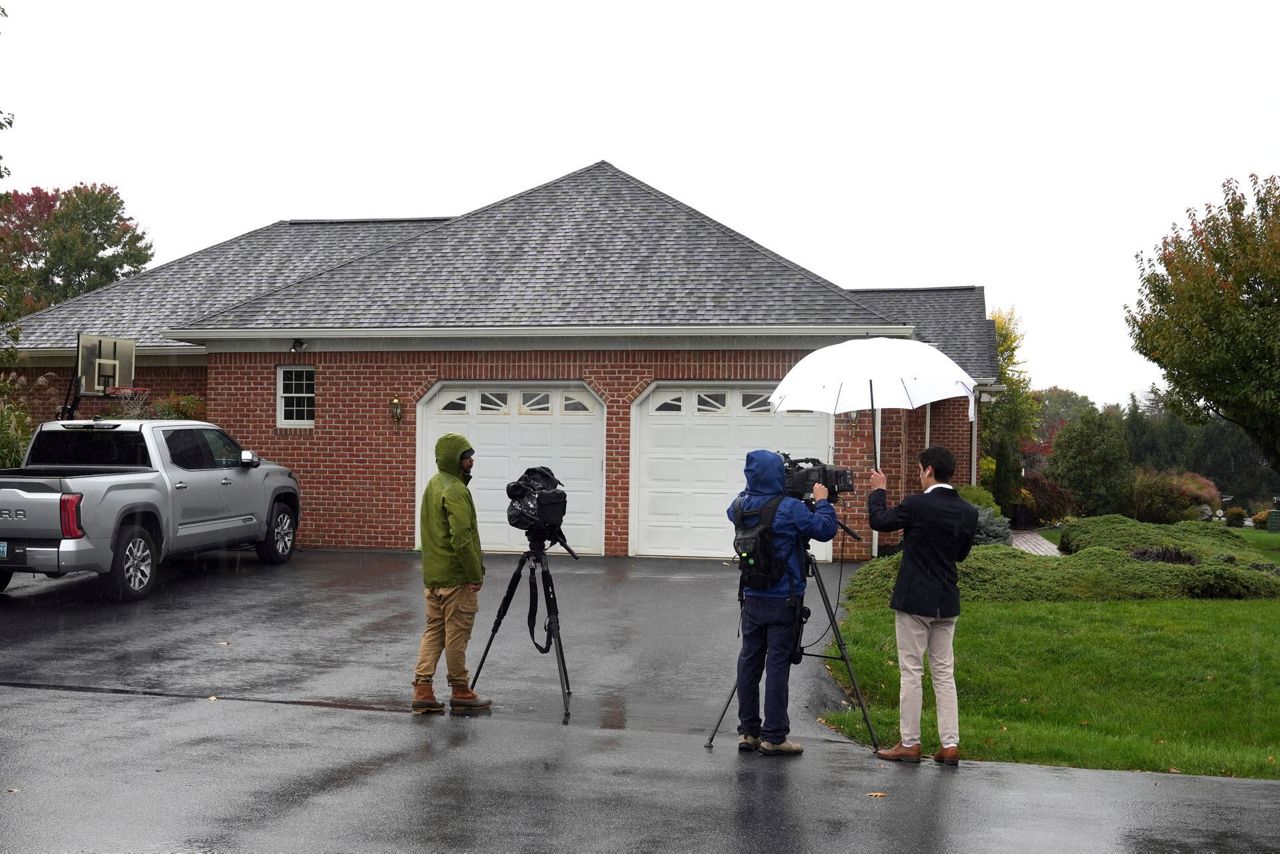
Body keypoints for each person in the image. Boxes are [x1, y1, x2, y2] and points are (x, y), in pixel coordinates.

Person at [867, 446, 978, 766]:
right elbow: (960, 555)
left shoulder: (916, 504)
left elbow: (879, 521)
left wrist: (879, 491)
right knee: (944, 673)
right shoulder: (968, 512)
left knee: (912, 671)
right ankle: (950, 744)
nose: (918, 475)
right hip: (947, 601)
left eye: (919, 469)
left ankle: (910, 743)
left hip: (914, 600)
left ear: (929, 470)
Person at [728, 449, 837, 756]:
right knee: (777, 663)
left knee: (749, 660)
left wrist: (756, 489)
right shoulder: (789, 509)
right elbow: (824, 529)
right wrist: (822, 501)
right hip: (783, 598)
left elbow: (743, 499)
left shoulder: (738, 506)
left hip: (751, 596)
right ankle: (774, 737)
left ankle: (748, 732)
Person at [412, 432, 491, 713]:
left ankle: (423, 688)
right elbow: (461, 537)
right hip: (456, 578)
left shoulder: (434, 485)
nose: (471, 460)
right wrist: (474, 574)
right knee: (457, 634)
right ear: (454, 460)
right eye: (466, 456)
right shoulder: (456, 490)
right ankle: (460, 690)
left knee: (434, 632)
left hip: (433, 577)